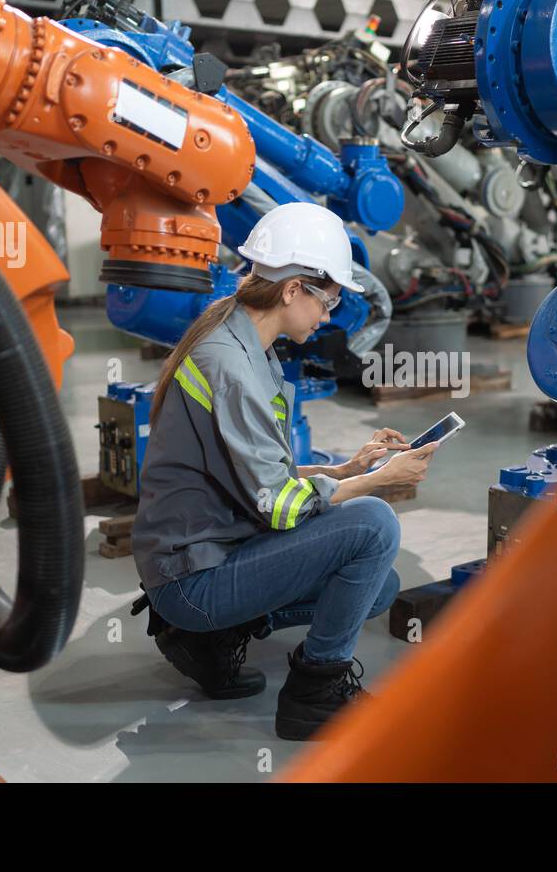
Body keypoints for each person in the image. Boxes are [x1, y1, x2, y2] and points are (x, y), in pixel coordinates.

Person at [130, 202, 438, 740]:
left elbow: (255, 470)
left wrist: (346, 466)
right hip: (192, 580)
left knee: (379, 586)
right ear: (293, 288)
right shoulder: (229, 364)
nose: (327, 316)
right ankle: (315, 694)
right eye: (328, 300)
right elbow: (277, 504)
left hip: (213, 553)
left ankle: (208, 640)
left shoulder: (243, 341)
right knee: (375, 523)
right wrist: (375, 483)